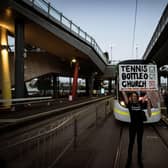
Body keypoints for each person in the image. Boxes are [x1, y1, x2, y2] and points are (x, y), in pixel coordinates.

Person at [122, 91, 151, 168]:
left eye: (135, 96)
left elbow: (147, 95)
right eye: (133, 96)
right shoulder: (129, 104)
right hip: (132, 127)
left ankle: (139, 160)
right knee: (131, 143)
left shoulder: (141, 103)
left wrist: (151, 89)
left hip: (140, 127)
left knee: (139, 143)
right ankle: (129, 160)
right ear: (131, 97)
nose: (134, 97)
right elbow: (124, 95)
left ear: (137, 97)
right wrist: (122, 90)